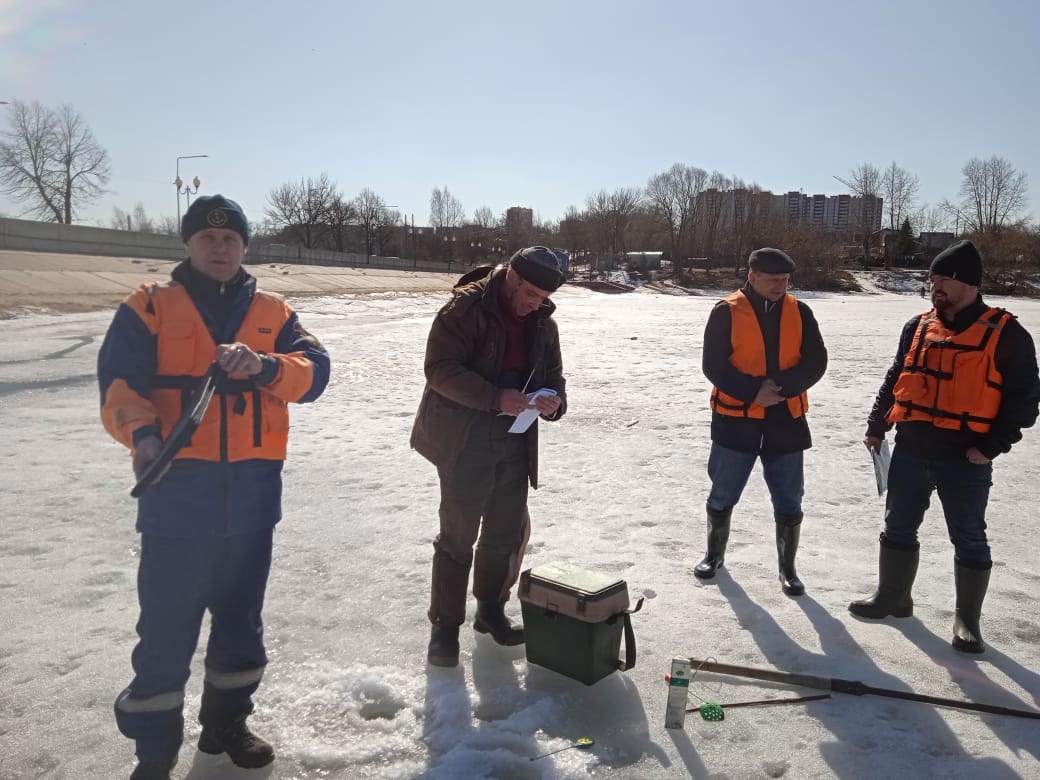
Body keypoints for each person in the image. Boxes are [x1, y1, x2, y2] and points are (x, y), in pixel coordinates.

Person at [97, 194, 331, 779]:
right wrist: (143, 438)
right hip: (178, 493)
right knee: (165, 630)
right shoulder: (149, 306)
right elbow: (118, 385)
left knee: (240, 623)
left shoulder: (275, 313)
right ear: (188, 245)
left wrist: (267, 367)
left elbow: (316, 372)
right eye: (207, 238)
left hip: (252, 499)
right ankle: (154, 754)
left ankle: (226, 724)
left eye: (230, 239)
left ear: (245, 246)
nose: (220, 247)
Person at [850, 239, 1039, 653]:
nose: (935, 286)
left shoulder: (1007, 334)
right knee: (898, 525)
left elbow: (1025, 402)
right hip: (911, 449)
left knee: (969, 536)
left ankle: (967, 621)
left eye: (944, 279)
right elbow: (896, 377)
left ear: (968, 284)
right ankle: (893, 598)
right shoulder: (916, 327)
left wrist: (991, 447)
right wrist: (877, 426)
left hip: (966, 457)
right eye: (932, 278)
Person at [411, 246, 567, 667]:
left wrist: (554, 402)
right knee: (458, 536)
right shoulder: (465, 309)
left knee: (504, 531)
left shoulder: (541, 321)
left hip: (515, 438)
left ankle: (490, 612)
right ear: (512, 278)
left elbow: (554, 376)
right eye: (531, 293)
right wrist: (495, 397)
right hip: (464, 438)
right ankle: (444, 630)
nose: (537, 303)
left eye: (544, 297)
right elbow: (439, 369)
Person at [697, 248, 828, 595]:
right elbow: (714, 364)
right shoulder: (726, 312)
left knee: (789, 498)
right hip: (735, 421)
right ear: (752, 277)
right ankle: (714, 555)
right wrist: (753, 391)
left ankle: (788, 568)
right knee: (722, 492)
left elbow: (817, 361)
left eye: (785, 280)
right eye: (773, 280)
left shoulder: (801, 311)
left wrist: (780, 389)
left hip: (785, 420)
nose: (781, 286)